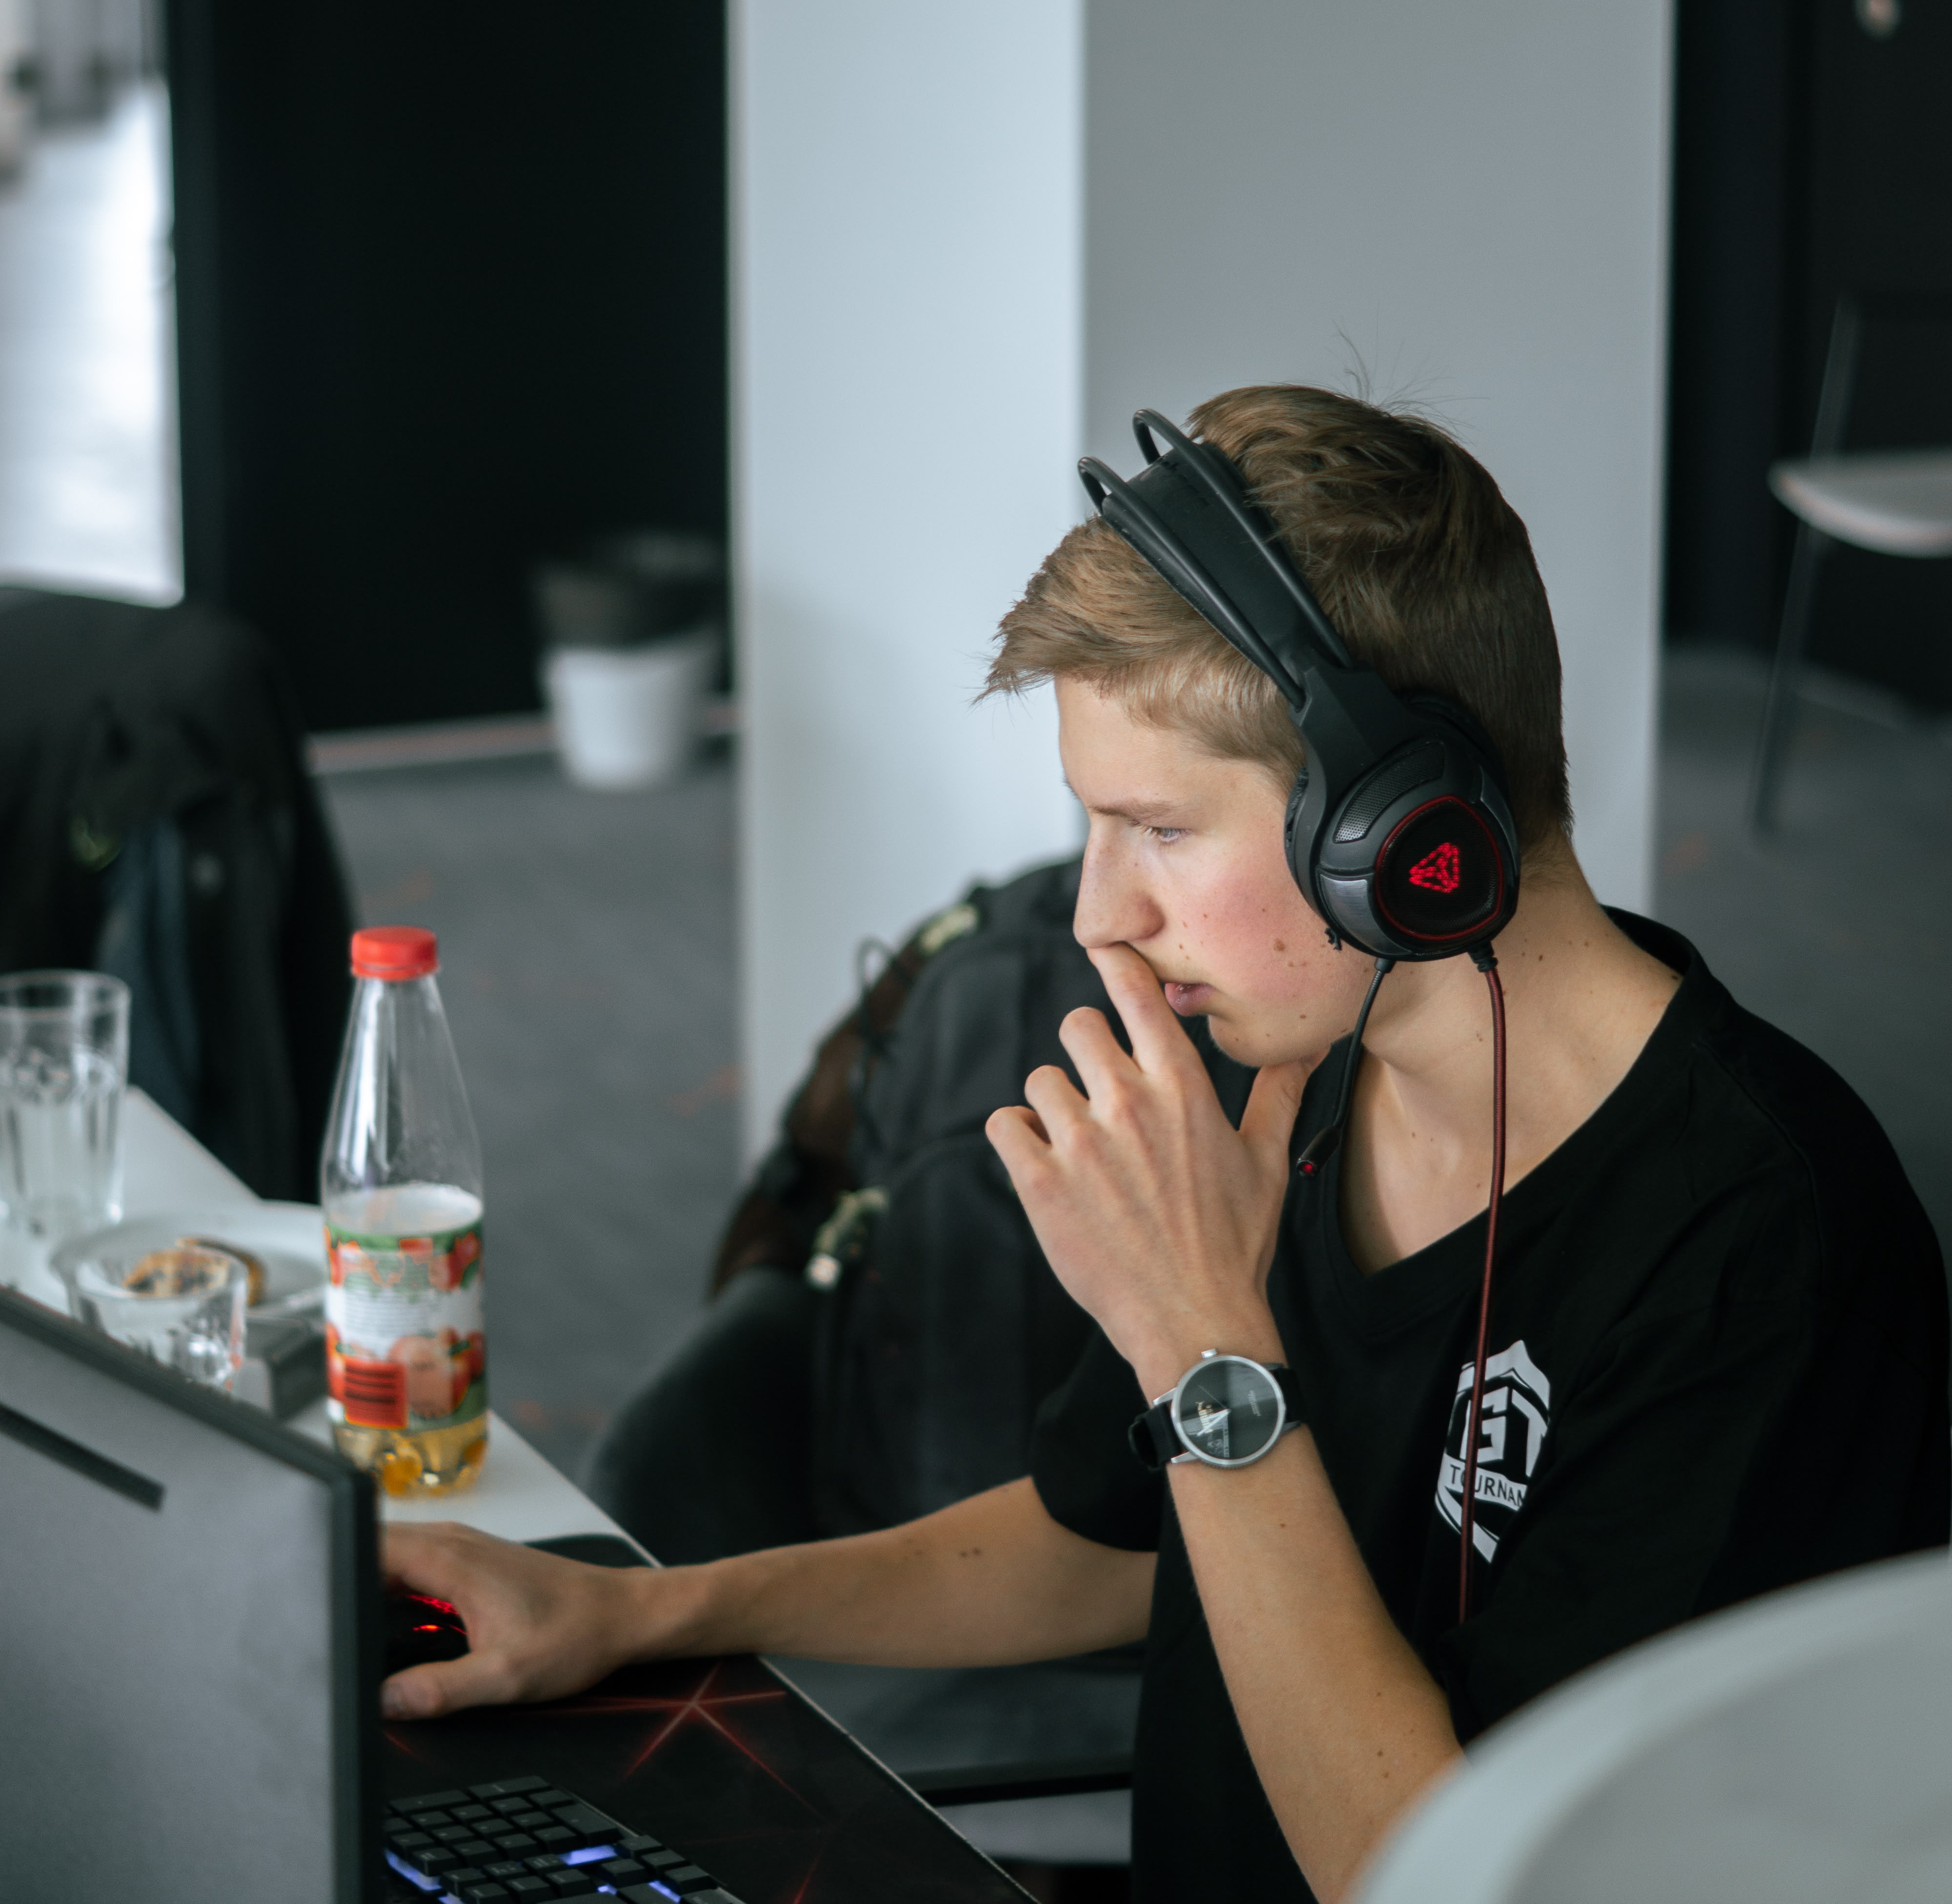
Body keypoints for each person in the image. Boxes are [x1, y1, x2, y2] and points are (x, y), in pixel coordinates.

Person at [382, 386, 1949, 1904]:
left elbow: (1444, 1874)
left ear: (1404, 836)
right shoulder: (1303, 1079)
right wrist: (645, 1614)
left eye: (1161, 830)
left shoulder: (1759, 1246)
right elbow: (1113, 1543)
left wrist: (1205, 1346)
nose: (1095, 914)